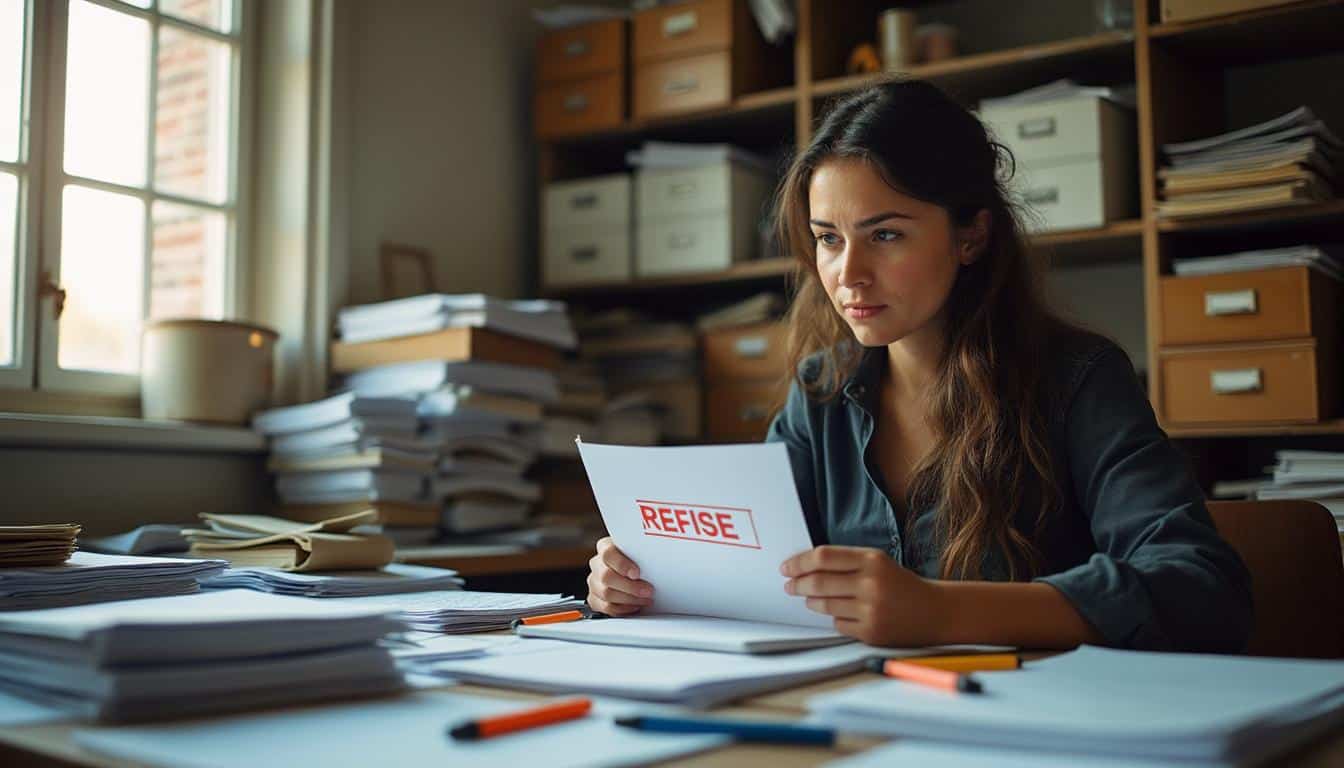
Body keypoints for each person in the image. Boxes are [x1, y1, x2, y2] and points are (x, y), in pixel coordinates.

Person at [586, 79, 1252, 653]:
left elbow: (1202, 588)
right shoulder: (820, 393)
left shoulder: (1079, 379)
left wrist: (940, 610)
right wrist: (650, 582)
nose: (848, 273)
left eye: (885, 234)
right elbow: (758, 580)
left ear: (971, 236)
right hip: (860, 714)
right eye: (828, 239)